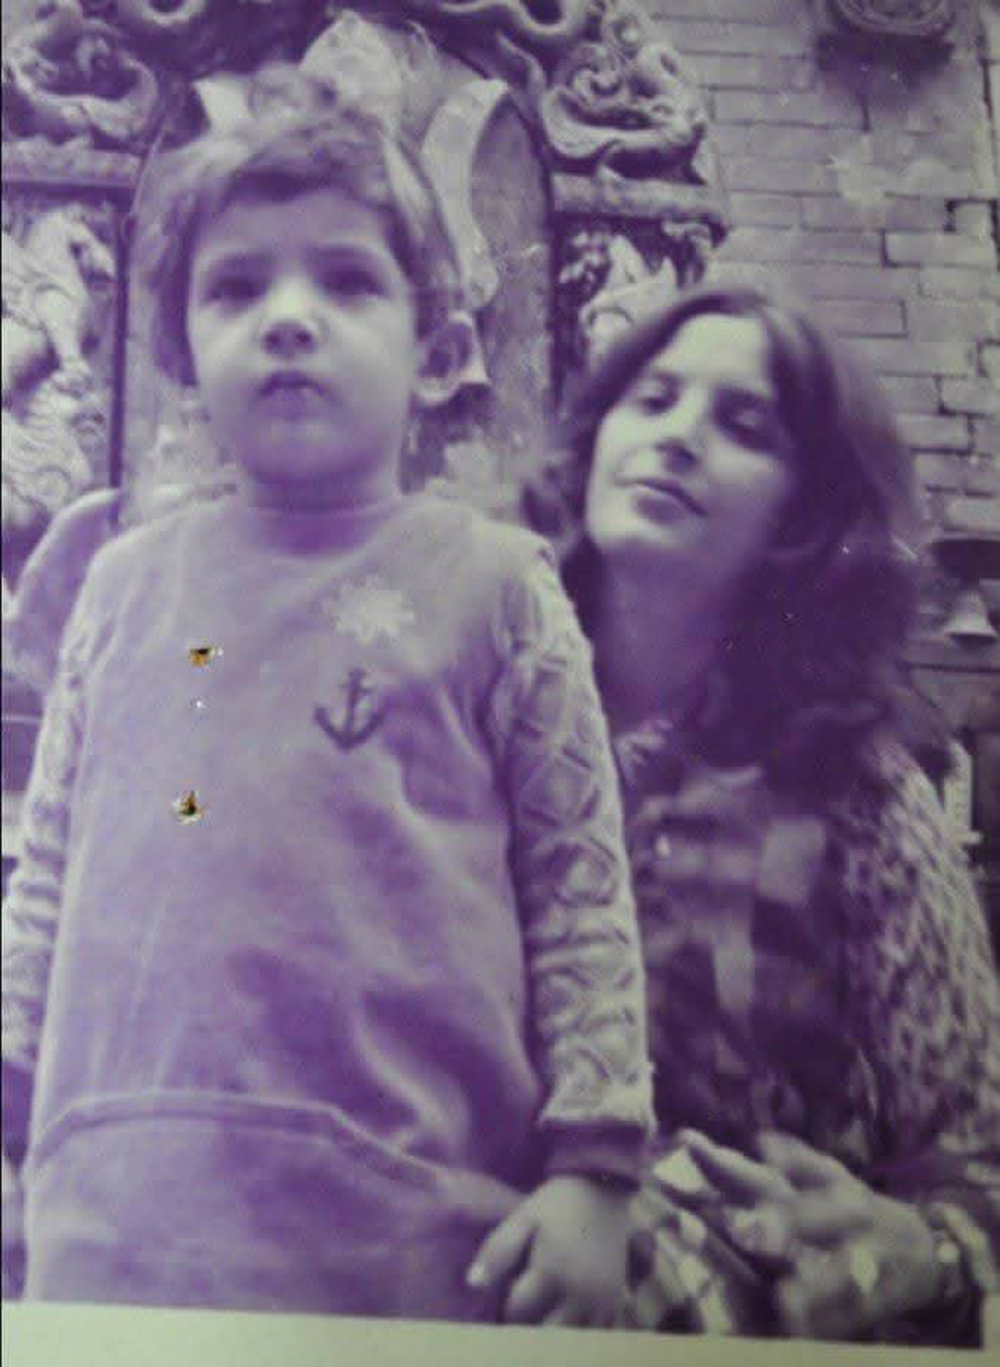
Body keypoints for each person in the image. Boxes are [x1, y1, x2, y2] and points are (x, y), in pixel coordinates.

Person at [0, 70, 654, 1322]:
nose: (288, 318)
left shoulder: (497, 586)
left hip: (409, 1246)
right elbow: (45, 879)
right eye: (237, 286)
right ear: (182, 352)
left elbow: (578, 884)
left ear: (440, 352)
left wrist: (593, 1168)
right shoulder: (119, 584)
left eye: (347, 282)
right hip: (112, 1230)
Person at [527, 284, 999, 1345]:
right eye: (653, 399)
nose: (677, 436)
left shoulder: (859, 795)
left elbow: (979, 1162)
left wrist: (922, 1246)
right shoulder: (473, 725)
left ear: (804, 517)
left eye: (744, 425)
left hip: (734, 1293)